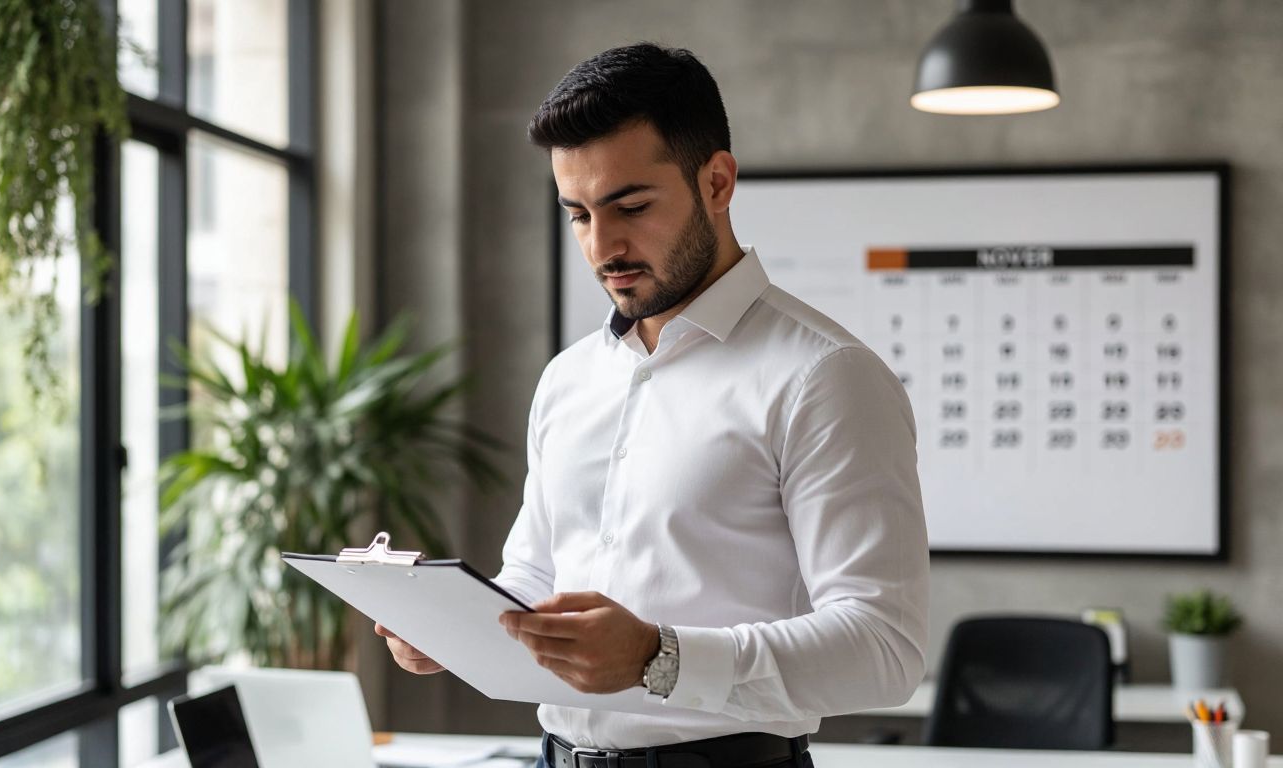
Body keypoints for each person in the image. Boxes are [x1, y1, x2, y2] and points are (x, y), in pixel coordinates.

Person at [377, 42, 930, 768]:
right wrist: (449, 625)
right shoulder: (568, 380)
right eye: (576, 214)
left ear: (718, 182)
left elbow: (885, 647)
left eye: (629, 206)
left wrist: (659, 657)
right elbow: (536, 582)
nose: (603, 245)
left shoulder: (826, 376)